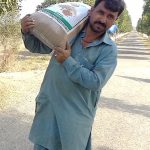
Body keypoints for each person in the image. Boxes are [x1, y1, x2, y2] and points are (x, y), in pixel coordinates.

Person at [21, 0, 125, 150]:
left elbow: (95, 82)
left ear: (115, 20)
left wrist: (67, 61)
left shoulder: (109, 50)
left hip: (75, 118)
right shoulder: (68, 32)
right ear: (92, 10)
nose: (103, 19)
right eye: (101, 12)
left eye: (110, 16)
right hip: (49, 110)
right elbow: (38, 47)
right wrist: (26, 32)